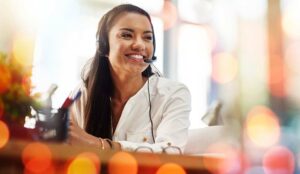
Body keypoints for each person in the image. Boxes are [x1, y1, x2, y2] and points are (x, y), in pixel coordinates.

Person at [68, 4, 191, 153]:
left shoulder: (172, 94)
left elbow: (171, 152)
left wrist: (98, 144)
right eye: (127, 35)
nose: (140, 45)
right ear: (104, 46)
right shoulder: (82, 94)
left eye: (147, 37)